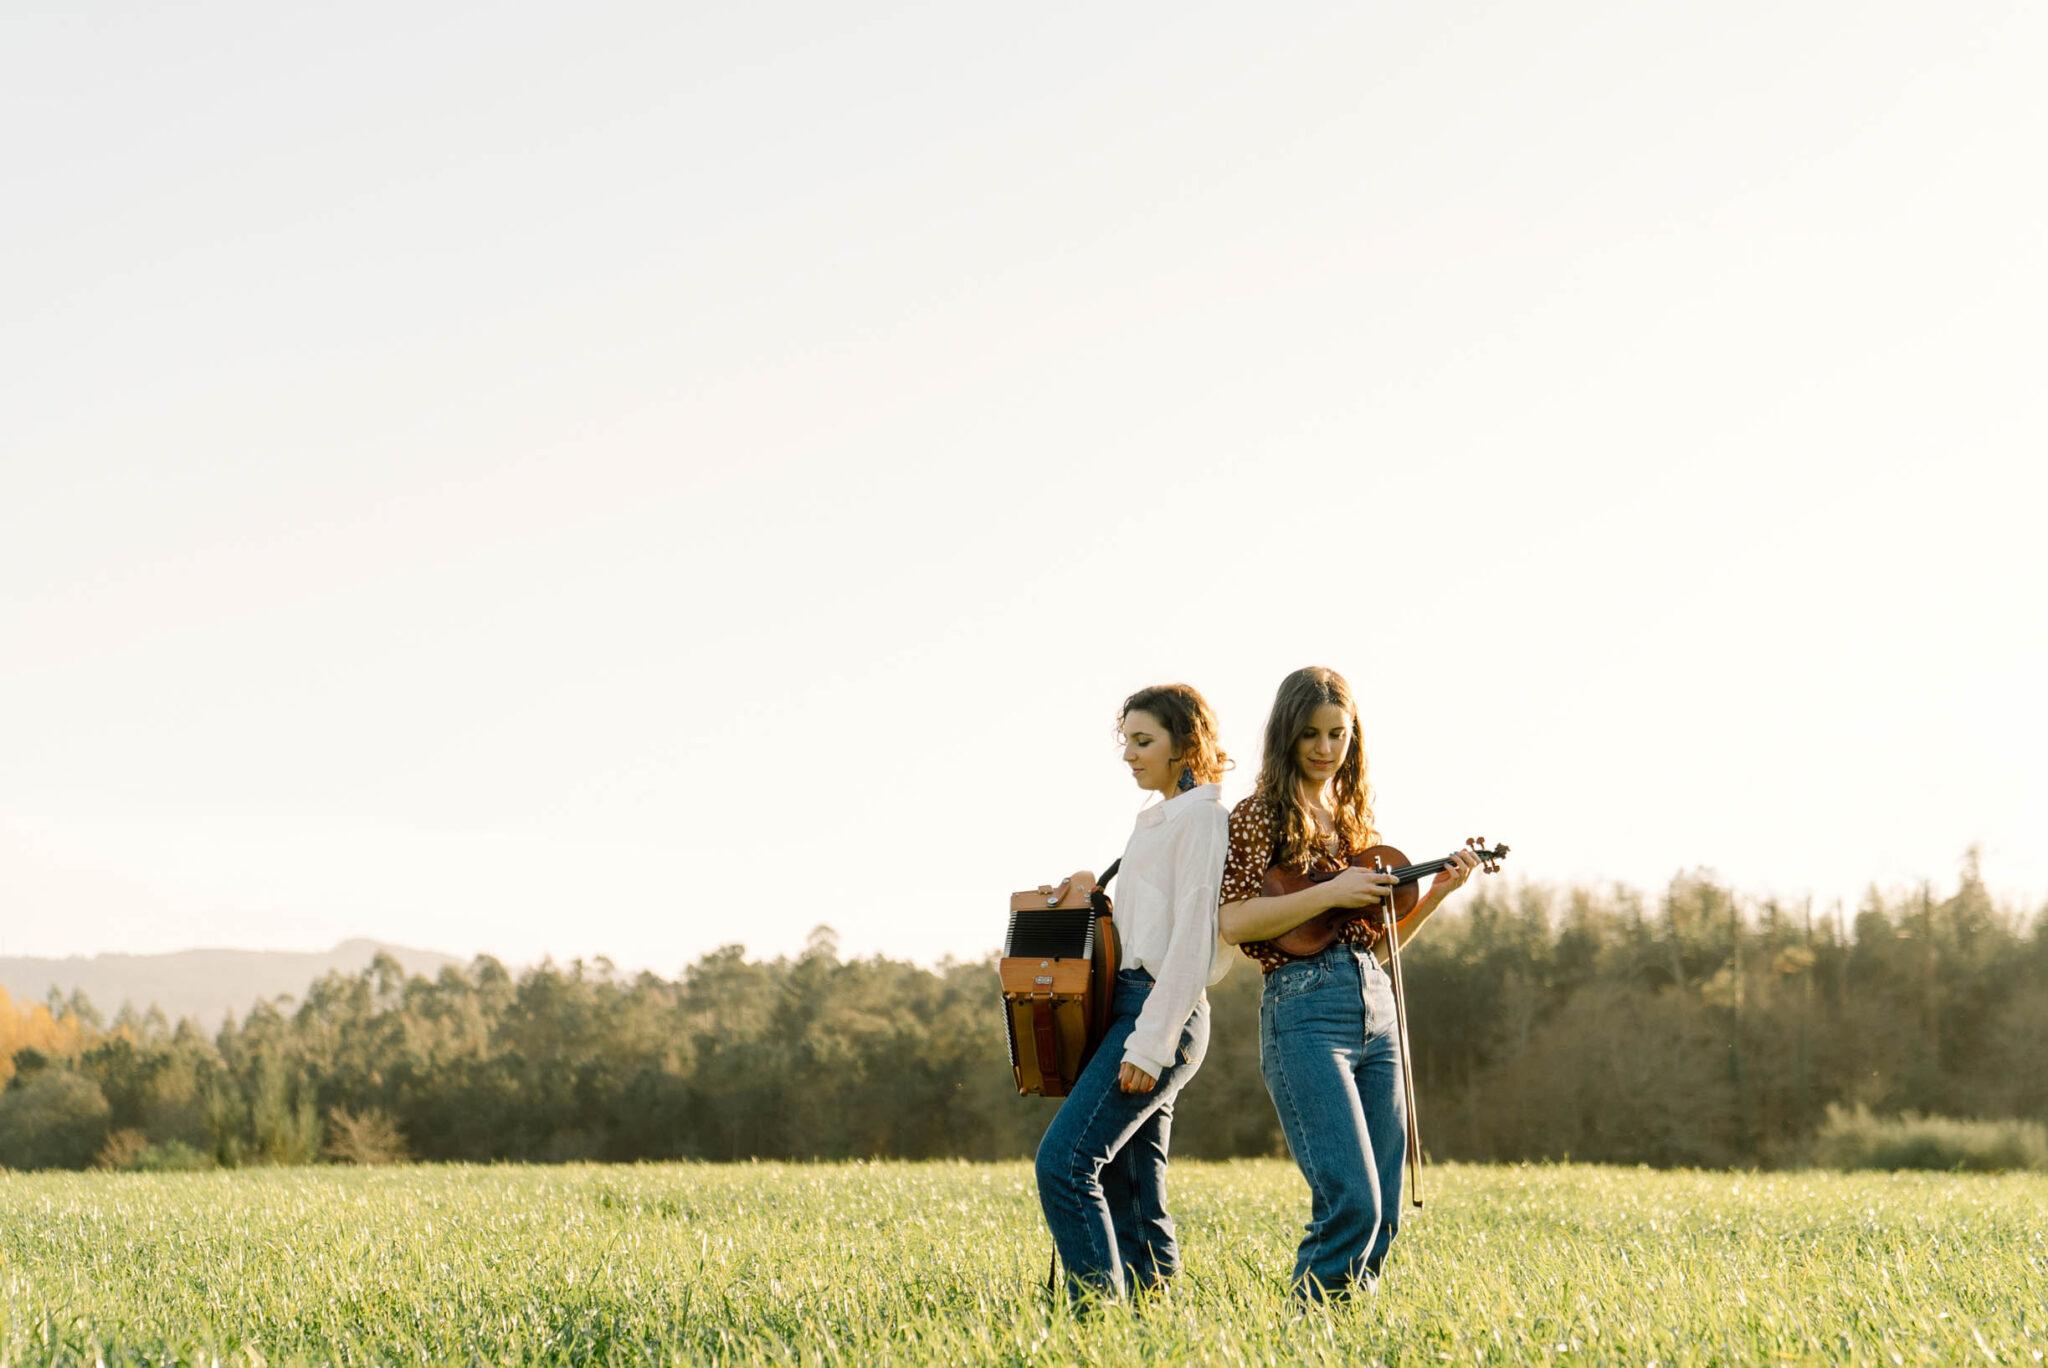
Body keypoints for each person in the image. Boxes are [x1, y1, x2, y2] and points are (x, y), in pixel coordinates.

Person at [1218, 665, 1479, 1300]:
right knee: (1351, 1203)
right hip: (1303, 1012)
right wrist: (1333, 891)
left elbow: (1378, 949)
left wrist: (1436, 895)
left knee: (1384, 1214)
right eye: (1311, 733)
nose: (1325, 748)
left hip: (1374, 1008)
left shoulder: (1356, 823)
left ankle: (1348, 1333)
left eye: (1338, 734)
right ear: (1286, 734)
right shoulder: (1258, 815)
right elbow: (1233, 920)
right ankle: (1305, 1332)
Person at [1034, 683, 1232, 1303]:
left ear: (1185, 744)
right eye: (1127, 741)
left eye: (1143, 741)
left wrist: (1151, 1044)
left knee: (1064, 1164)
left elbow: (1192, 938)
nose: (1129, 755)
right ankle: (1153, 1328)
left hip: (1160, 1012)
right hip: (1133, 1004)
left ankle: (1098, 1319)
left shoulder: (1202, 818)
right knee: (1133, 1191)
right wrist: (1095, 891)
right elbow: (1148, 928)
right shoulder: (1161, 819)